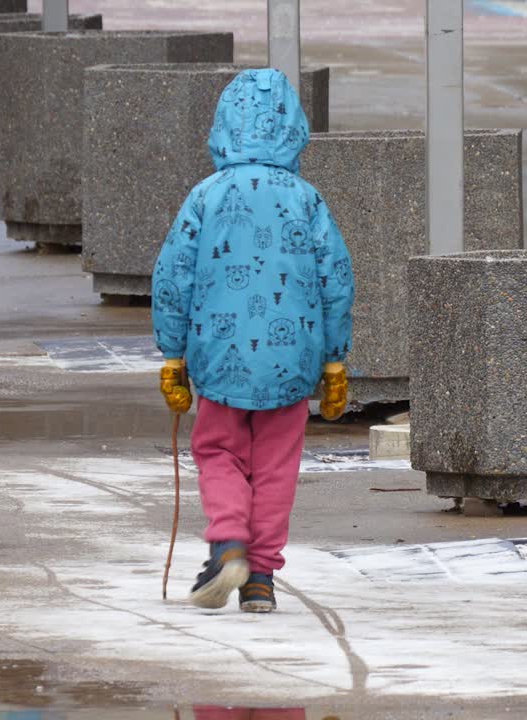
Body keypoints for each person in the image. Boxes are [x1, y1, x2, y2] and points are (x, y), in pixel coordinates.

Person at [151, 68, 354, 613]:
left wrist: (172, 355)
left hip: (220, 357)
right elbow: (336, 279)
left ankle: (229, 542)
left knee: (218, 450)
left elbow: (174, 275)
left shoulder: (205, 196)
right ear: (293, 129)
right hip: (293, 361)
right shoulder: (307, 199)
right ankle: (260, 577)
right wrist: (334, 360)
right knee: (277, 464)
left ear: (223, 129)